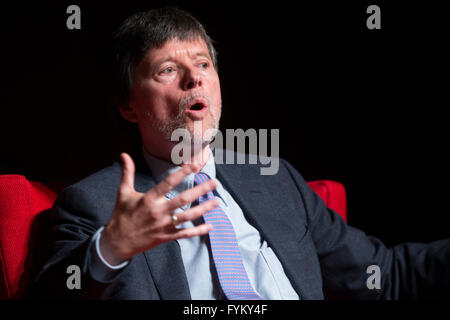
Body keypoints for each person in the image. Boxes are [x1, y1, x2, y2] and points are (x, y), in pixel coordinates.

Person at [28, 6, 450, 300]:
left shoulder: (274, 178)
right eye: (168, 69)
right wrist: (111, 249)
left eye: (204, 63)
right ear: (128, 106)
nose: (194, 77)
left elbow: (384, 275)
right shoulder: (93, 204)